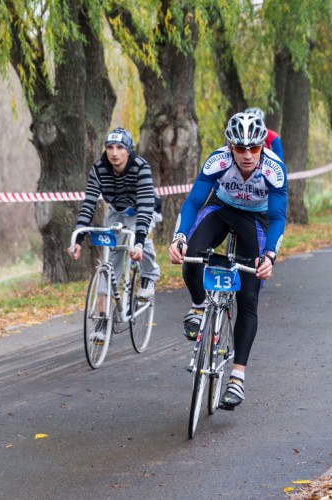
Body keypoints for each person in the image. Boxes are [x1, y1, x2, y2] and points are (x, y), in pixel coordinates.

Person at [168, 112, 287, 408]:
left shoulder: (274, 168)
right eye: (240, 148)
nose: (247, 155)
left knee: (248, 296)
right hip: (221, 208)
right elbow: (195, 201)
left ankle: (237, 378)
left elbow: (277, 217)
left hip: (256, 219)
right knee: (192, 256)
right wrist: (179, 237)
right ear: (229, 146)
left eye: (254, 148)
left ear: (262, 146)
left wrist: (270, 255)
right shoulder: (218, 160)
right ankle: (198, 306)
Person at [68, 127, 161, 340]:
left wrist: (137, 243)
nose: (114, 153)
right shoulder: (99, 168)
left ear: (128, 150)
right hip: (116, 212)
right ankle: (102, 323)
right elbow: (89, 203)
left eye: (120, 147)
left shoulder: (141, 167)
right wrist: (78, 238)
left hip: (141, 209)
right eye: (110, 147)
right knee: (109, 262)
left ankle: (148, 276)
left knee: (141, 241)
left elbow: (146, 208)